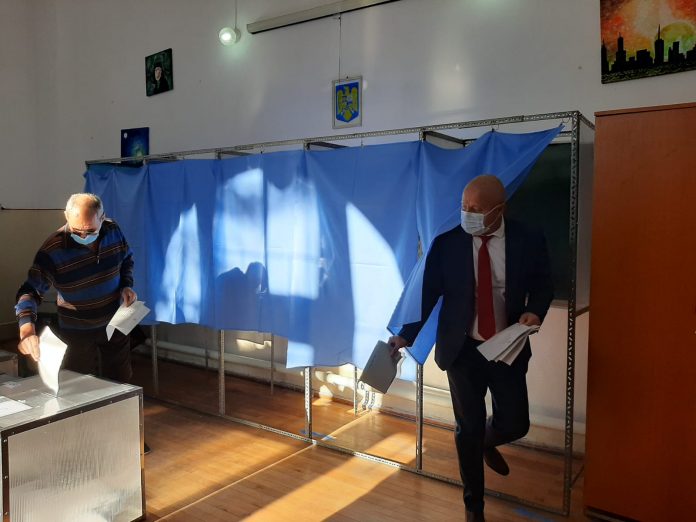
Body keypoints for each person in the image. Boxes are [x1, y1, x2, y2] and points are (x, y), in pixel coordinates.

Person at [389, 175, 553, 522]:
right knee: (468, 428)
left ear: (499, 210)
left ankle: (487, 442)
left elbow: (543, 284)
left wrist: (534, 310)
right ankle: (473, 507)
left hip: (506, 347)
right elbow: (429, 293)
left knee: (515, 423)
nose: (467, 214)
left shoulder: (527, 238)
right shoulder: (448, 243)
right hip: (461, 349)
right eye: (464, 206)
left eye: (476, 209)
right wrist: (406, 335)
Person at [15, 193, 137, 384]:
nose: (83, 236)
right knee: (79, 384)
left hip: (115, 320)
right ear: (66, 216)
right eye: (76, 231)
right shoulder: (53, 250)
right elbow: (29, 291)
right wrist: (27, 331)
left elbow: (126, 259)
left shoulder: (113, 230)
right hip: (77, 329)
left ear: (102, 218)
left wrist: (126, 286)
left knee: (121, 382)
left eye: (90, 231)